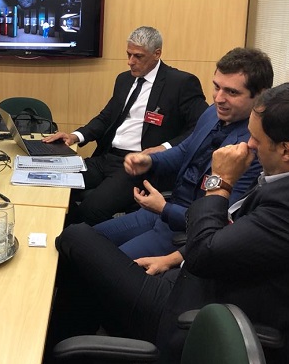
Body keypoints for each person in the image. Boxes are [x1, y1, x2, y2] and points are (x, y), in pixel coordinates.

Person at [42, 82, 289, 364]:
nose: (248, 145)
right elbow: (244, 238)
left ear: (288, 150)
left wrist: (220, 182)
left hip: (197, 315)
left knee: (75, 237)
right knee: (84, 279)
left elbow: (208, 250)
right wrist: (174, 257)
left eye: (257, 140)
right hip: (194, 282)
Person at [93, 47, 273, 258]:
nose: (218, 98)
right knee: (87, 239)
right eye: (216, 87)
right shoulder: (212, 114)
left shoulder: (254, 148)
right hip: (165, 210)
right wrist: (150, 160)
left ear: (260, 95)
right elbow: (185, 150)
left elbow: (222, 218)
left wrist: (163, 208)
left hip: (185, 229)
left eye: (232, 92)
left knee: (103, 262)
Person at [44, 26, 208, 224]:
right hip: (107, 158)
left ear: (157, 54)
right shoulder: (124, 79)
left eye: (138, 56)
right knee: (51, 180)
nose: (131, 62)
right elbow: (106, 118)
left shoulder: (181, 83)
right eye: (129, 54)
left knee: (90, 210)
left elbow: (201, 128)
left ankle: (65, 248)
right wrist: (75, 136)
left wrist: (163, 149)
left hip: (137, 167)